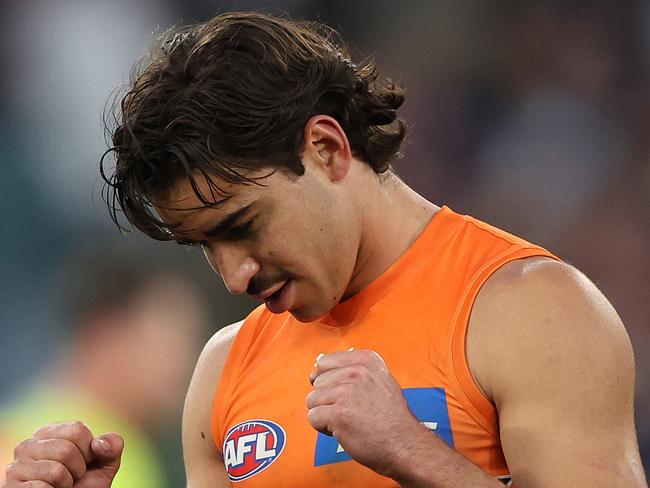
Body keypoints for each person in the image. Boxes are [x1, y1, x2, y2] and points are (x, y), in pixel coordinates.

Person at [4, 11, 647, 488]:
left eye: (243, 225)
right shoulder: (225, 368)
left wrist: (410, 450)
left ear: (327, 149)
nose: (234, 276)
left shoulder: (535, 309)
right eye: (205, 246)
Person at [0, 241, 208, 488]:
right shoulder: (104, 455)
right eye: (173, 336)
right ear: (106, 332)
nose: (186, 360)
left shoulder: (14, 428)